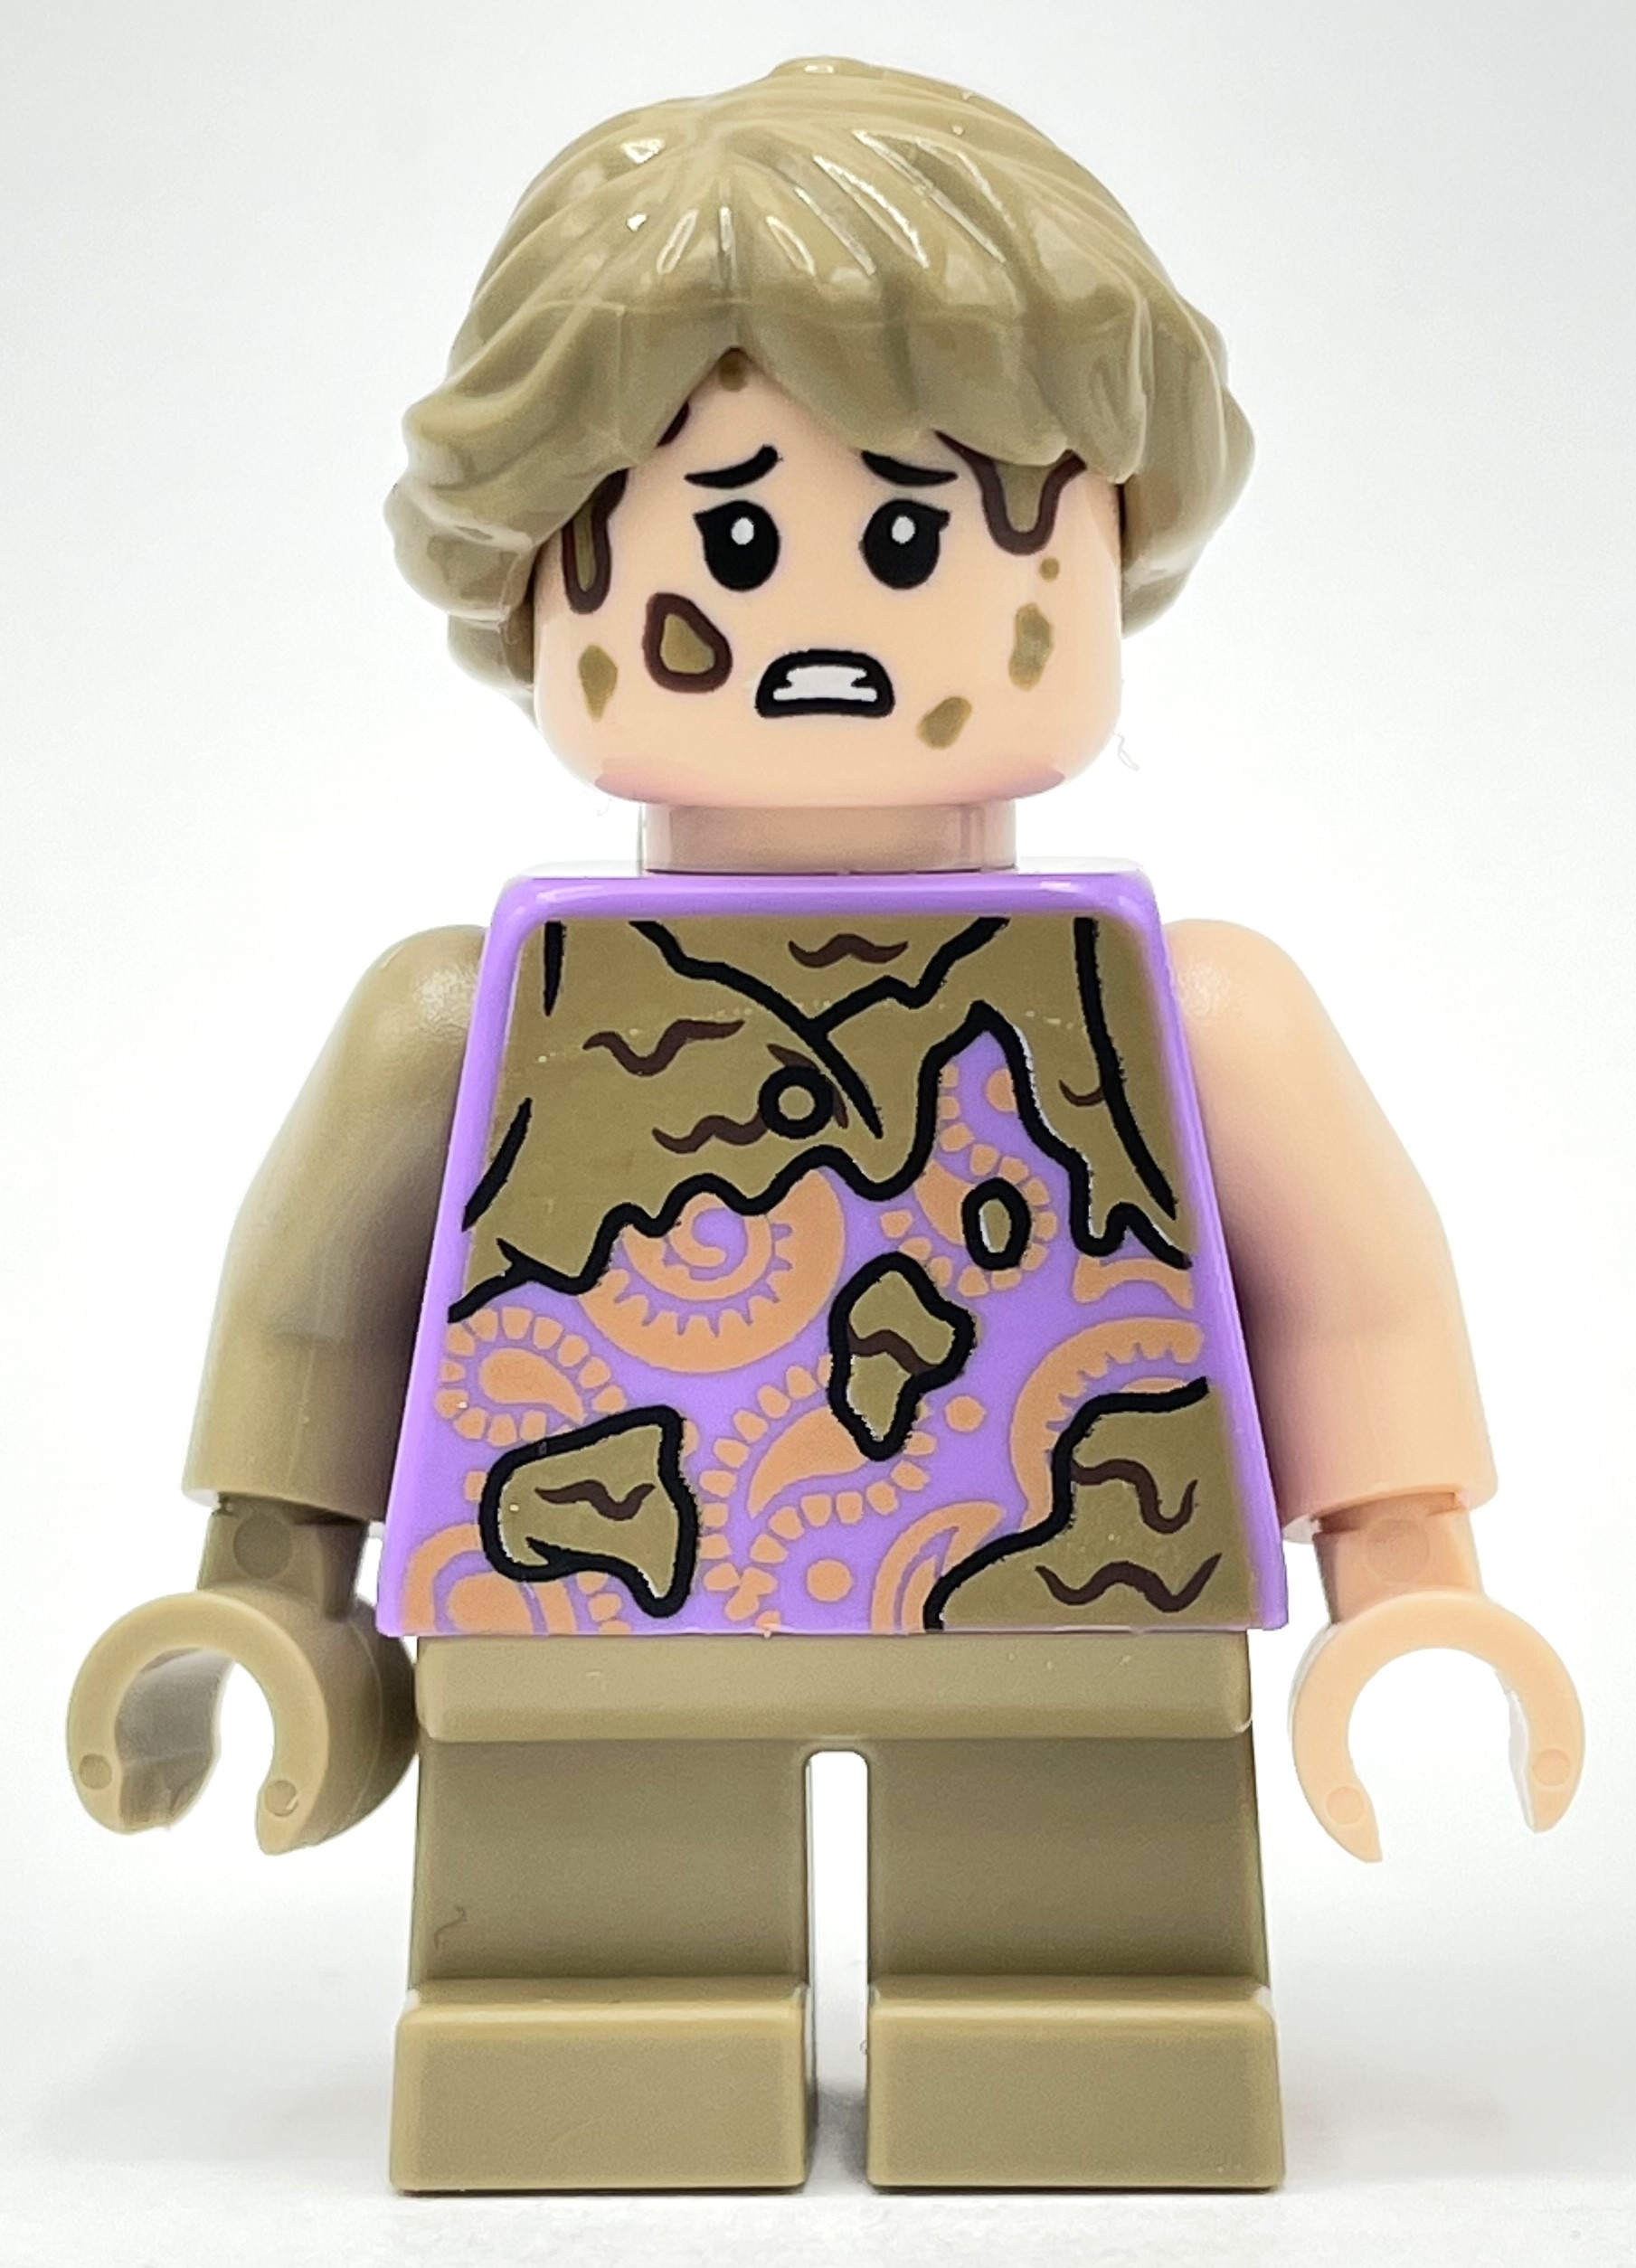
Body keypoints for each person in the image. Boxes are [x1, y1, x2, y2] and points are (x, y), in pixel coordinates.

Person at [68, 55, 1582, 2194]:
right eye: (728, 538)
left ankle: (1086, 2031)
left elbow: (1349, 1303)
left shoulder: (1186, 1015)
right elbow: (319, 1315)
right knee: (588, 1981)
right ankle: (581, 2031)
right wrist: (270, 1592)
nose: (818, 629)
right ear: (535, 572)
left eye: (906, 534)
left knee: (1086, 1978)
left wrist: (1406, 1580)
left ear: (1106, 544)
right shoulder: (460, 1018)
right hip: (587, 1630)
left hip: (1079, 1605)